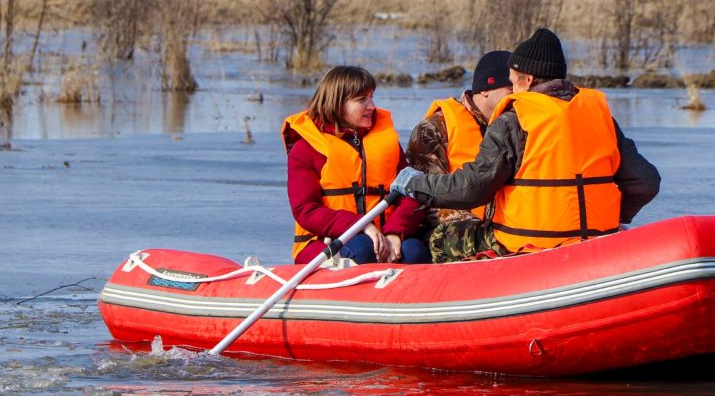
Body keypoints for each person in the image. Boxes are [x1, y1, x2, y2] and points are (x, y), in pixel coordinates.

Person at [392, 28, 660, 263]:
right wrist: (610, 215)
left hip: (529, 245)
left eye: (512, 79)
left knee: (441, 237)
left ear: (527, 80)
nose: (512, 88)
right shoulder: (600, 117)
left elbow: (472, 189)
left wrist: (413, 183)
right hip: (596, 238)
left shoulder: (515, 119)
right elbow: (646, 181)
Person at [283, 66, 430, 265]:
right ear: (336, 103)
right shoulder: (306, 149)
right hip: (324, 241)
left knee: (413, 251)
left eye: (371, 97)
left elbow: (413, 193)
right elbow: (306, 211)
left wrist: (396, 232)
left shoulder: (387, 143)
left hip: (383, 235)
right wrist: (363, 226)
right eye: (362, 99)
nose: (371, 106)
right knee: (362, 248)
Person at [405, 50, 513, 235]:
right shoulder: (434, 129)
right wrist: (484, 232)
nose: (516, 98)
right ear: (485, 89)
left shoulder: (517, 125)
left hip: (507, 227)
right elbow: (428, 201)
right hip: (454, 233)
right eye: (511, 91)